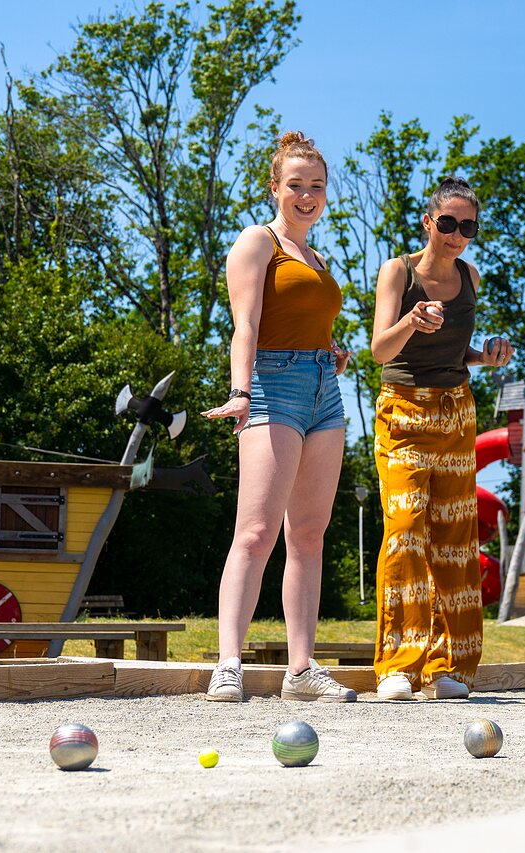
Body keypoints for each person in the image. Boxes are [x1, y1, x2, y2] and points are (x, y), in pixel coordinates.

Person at [201, 132, 356, 703]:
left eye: (317, 185)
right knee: (256, 532)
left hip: (323, 392)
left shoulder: (317, 258)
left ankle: (301, 669)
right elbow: (245, 325)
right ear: (275, 188)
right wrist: (240, 391)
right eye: (296, 185)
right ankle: (228, 664)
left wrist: (331, 350)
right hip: (272, 386)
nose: (307, 195)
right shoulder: (257, 241)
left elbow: (305, 319)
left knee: (309, 535)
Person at [369, 176, 512, 701]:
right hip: (403, 413)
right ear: (428, 222)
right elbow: (380, 351)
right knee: (405, 530)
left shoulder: (471, 277)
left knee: (454, 539)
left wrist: (485, 356)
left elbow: (456, 352)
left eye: (467, 227)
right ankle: (398, 667)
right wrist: (411, 320)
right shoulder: (398, 271)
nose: (455, 235)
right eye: (447, 223)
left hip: (455, 413)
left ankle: (448, 667)